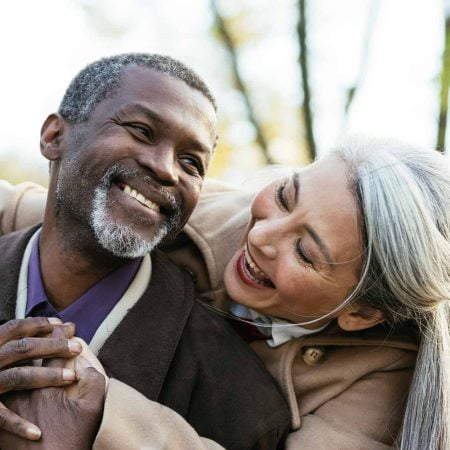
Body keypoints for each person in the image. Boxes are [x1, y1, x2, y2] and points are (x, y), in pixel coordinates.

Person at [0, 137, 448, 449]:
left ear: (363, 314)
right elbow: (28, 210)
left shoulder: (385, 380)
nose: (261, 237)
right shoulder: (203, 212)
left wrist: (105, 413)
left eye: (306, 252)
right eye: (287, 196)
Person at [0, 53, 292, 449]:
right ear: (55, 137)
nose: (167, 170)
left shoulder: (240, 398)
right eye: (141, 130)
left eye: (192, 162)